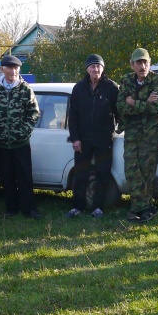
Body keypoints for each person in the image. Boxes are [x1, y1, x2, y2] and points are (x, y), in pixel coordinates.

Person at [0, 55, 40, 218]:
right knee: (6, 178)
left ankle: (29, 209)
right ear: (3, 69)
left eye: (15, 68)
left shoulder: (25, 89)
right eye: (9, 68)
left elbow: (34, 113)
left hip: (21, 143)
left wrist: (23, 131)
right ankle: (11, 209)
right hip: (1, 143)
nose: (13, 71)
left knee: (24, 177)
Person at [67, 54, 119, 218]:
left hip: (104, 139)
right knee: (81, 174)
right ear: (87, 69)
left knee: (102, 173)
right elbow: (73, 116)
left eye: (98, 66)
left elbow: (119, 113)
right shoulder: (79, 88)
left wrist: (115, 131)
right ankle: (78, 207)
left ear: (103, 68)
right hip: (82, 140)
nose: (95, 69)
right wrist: (75, 138)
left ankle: (98, 207)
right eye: (92, 66)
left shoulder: (111, 87)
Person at [116, 48, 158, 223]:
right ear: (132, 65)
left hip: (151, 132)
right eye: (139, 63)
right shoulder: (127, 80)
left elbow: (155, 108)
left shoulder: (157, 80)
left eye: (145, 62)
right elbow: (121, 105)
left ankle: (140, 209)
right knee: (131, 169)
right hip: (131, 131)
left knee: (146, 170)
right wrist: (142, 103)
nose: (142, 66)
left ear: (149, 63)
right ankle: (145, 207)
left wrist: (133, 102)